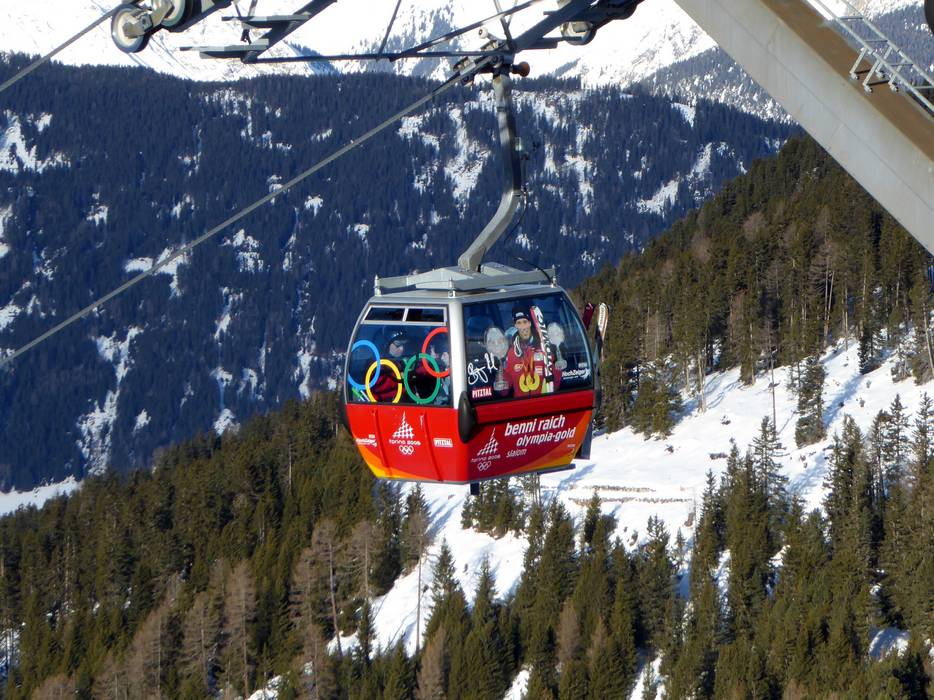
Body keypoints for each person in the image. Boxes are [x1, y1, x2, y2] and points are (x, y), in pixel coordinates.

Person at [503, 305, 562, 397]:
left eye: (525, 322)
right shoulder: (511, 352)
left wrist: (557, 367)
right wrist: (501, 381)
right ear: (515, 325)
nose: (523, 327)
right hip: (520, 404)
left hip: (543, 401)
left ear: (530, 323)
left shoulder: (544, 346)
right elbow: (506, 387)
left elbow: (555, 381)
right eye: (519, 323)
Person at [371, 330, 410, 402]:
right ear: (386, 344)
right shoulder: (378, 366)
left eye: (404, 345)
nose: (402, 349)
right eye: (398, 345)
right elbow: (380, 390)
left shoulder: (401, 362)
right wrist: (403, 381)